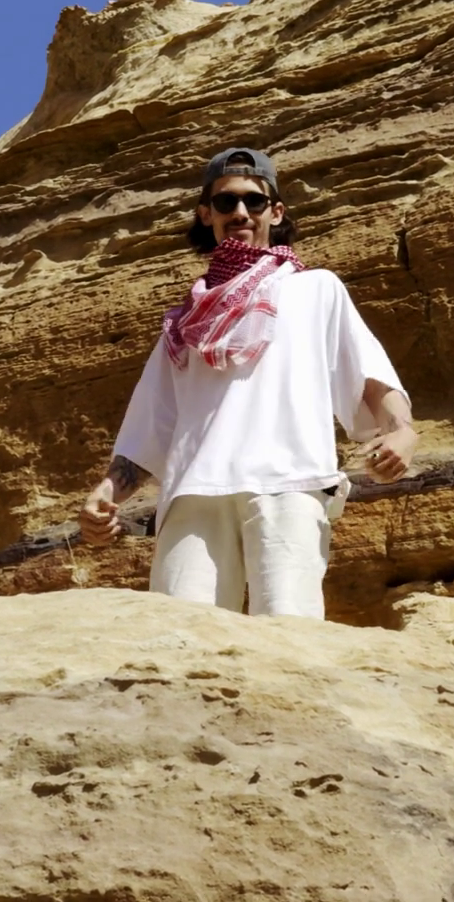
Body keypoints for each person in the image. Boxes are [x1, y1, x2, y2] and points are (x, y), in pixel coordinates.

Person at [77, 147, 417, 619]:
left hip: (289, 483)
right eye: (226, 202)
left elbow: (369, 379)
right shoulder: (184, 322)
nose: (240, 212)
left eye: (254, 201)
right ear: (206, 214)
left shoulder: (315, 288)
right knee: (180, 637)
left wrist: (402, 430)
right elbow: (154, 423)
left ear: (275, 213)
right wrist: (108, 492)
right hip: (194, 494)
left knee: (289, 625)